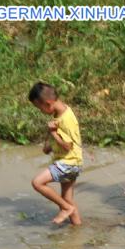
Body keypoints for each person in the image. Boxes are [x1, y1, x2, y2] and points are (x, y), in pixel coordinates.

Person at [28, 82, 84, 225]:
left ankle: (66, 209)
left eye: (39, 108)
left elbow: (67, 146)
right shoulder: (59, 114)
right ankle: (77, 229)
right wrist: (49, 138)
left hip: (68, 162)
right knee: (67, 198)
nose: (40, 111)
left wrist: (53, 133)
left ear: (48, 103)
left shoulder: (66, 119)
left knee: (37, 183)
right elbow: (51, 147)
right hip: (72, 162)